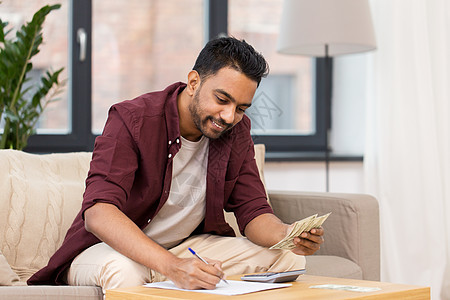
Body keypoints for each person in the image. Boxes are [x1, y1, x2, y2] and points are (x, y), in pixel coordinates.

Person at [28, 37, 324, 290]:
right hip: (111, 251)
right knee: (124, 273)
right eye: (222, 99)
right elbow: (99, 213)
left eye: (241, 108)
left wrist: (286, 236)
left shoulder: (237, 130)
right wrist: (173, 266)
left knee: (288, 258)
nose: (229, 116)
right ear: (194, 82)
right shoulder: (132, 119)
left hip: (186, 249)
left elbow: (253, 210)